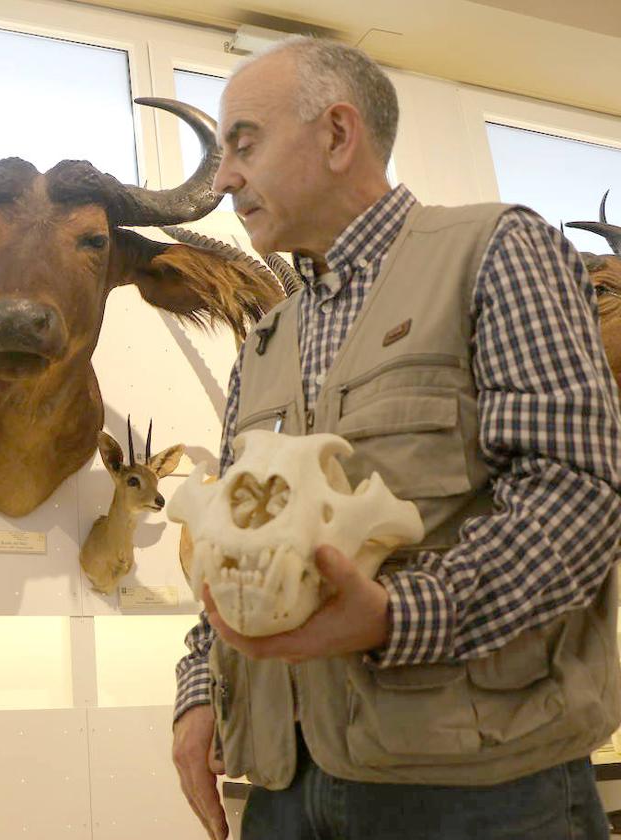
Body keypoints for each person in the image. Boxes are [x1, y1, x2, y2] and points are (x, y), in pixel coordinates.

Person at [172, 36, 621, 840]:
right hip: (282, 784)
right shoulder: (266, 340)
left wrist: (396, 617)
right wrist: (202, 691)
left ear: (339, 135)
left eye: (244, 143)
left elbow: (578, 492)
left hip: (480, 789)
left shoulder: (496, 251)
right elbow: (232, 531)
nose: (224, 177)